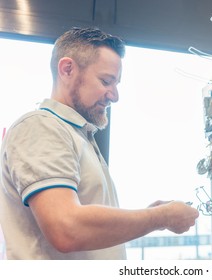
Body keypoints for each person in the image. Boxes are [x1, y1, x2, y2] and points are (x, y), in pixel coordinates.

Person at [0, 27, 199, 260]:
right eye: (106, 81)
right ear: (67, 69)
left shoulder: (78, 136)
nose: (114, 95)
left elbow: (86, 227)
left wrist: (149, 215)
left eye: (117, 84)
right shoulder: (41, 127)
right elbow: (66, 229)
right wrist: (162, 217)